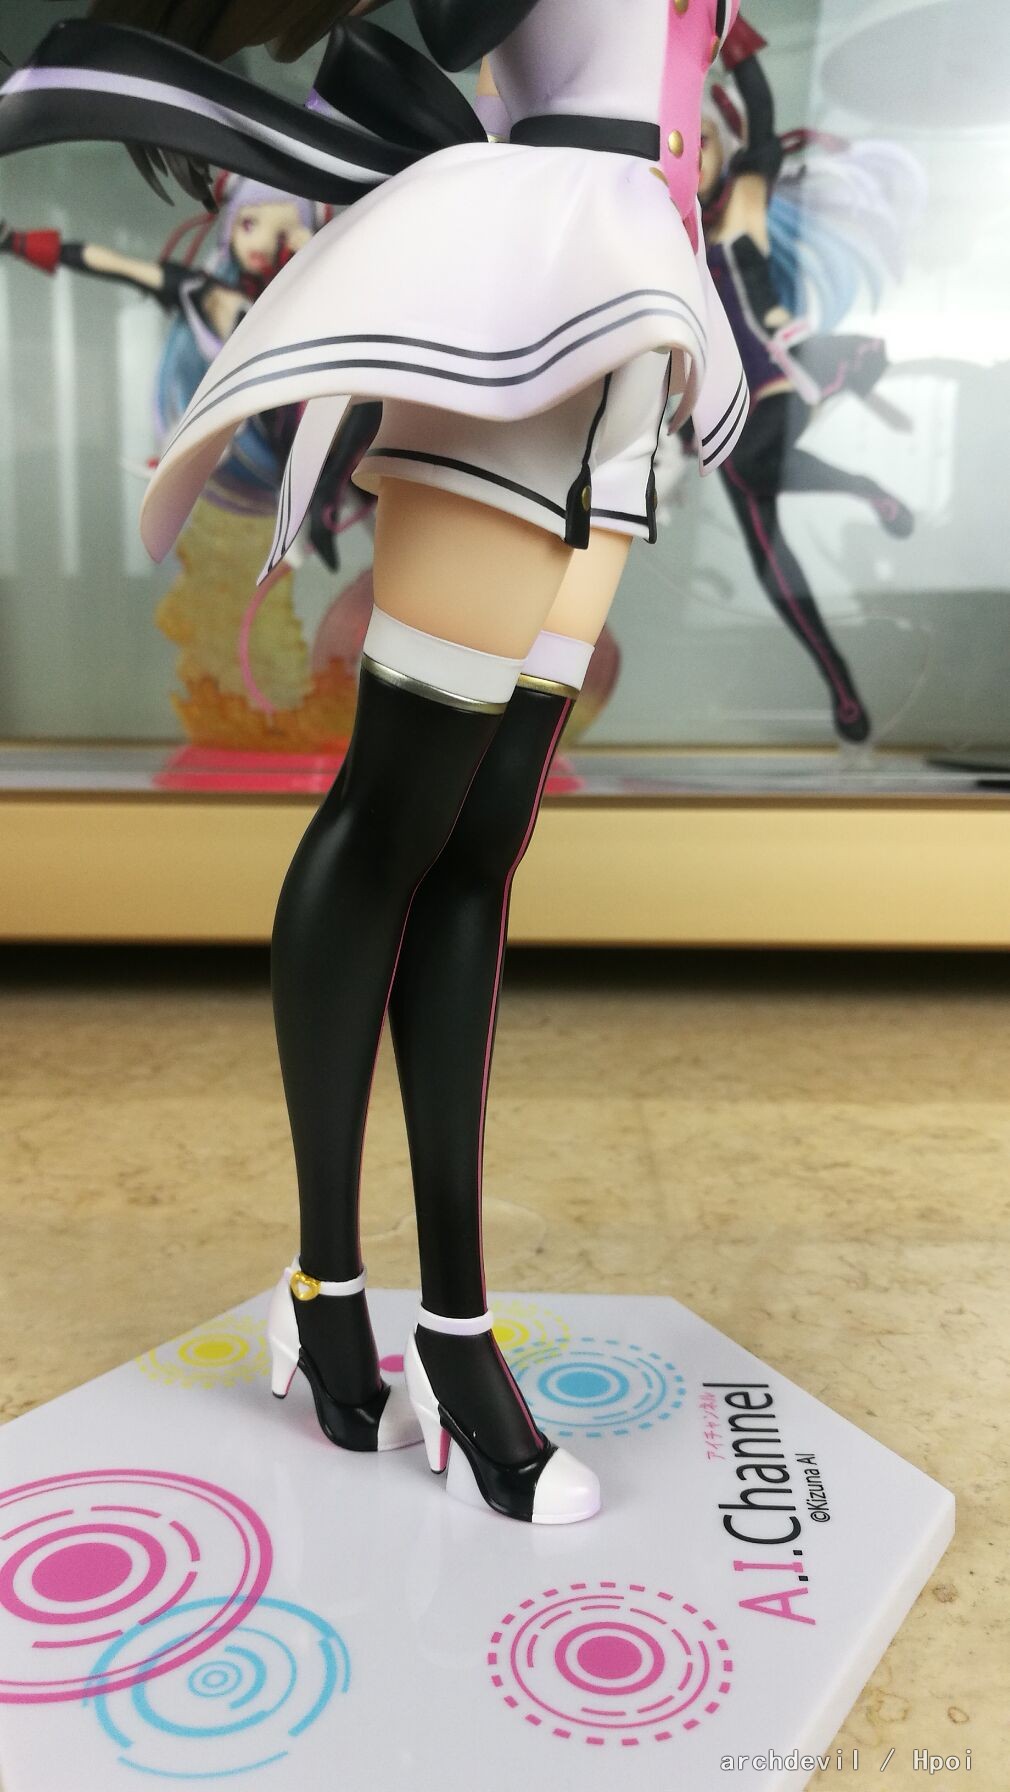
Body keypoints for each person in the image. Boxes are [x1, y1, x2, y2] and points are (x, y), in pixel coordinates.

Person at [0, 0, 745, 1525]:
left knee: (480, 845)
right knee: (400, 815)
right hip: (524, 313)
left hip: (632, 323)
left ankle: (428, 1321)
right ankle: (352, 1293)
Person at [698, 17, 918, 744]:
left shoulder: (741, 207)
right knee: (770, 562)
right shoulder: (664, 230)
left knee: (756, 466)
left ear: (718, 146)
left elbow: (761, 119)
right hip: (715, 414)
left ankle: (865, 487)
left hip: (768, 379)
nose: (691, 159)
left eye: (702, 143)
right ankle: (840, 687)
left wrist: (734, 39)